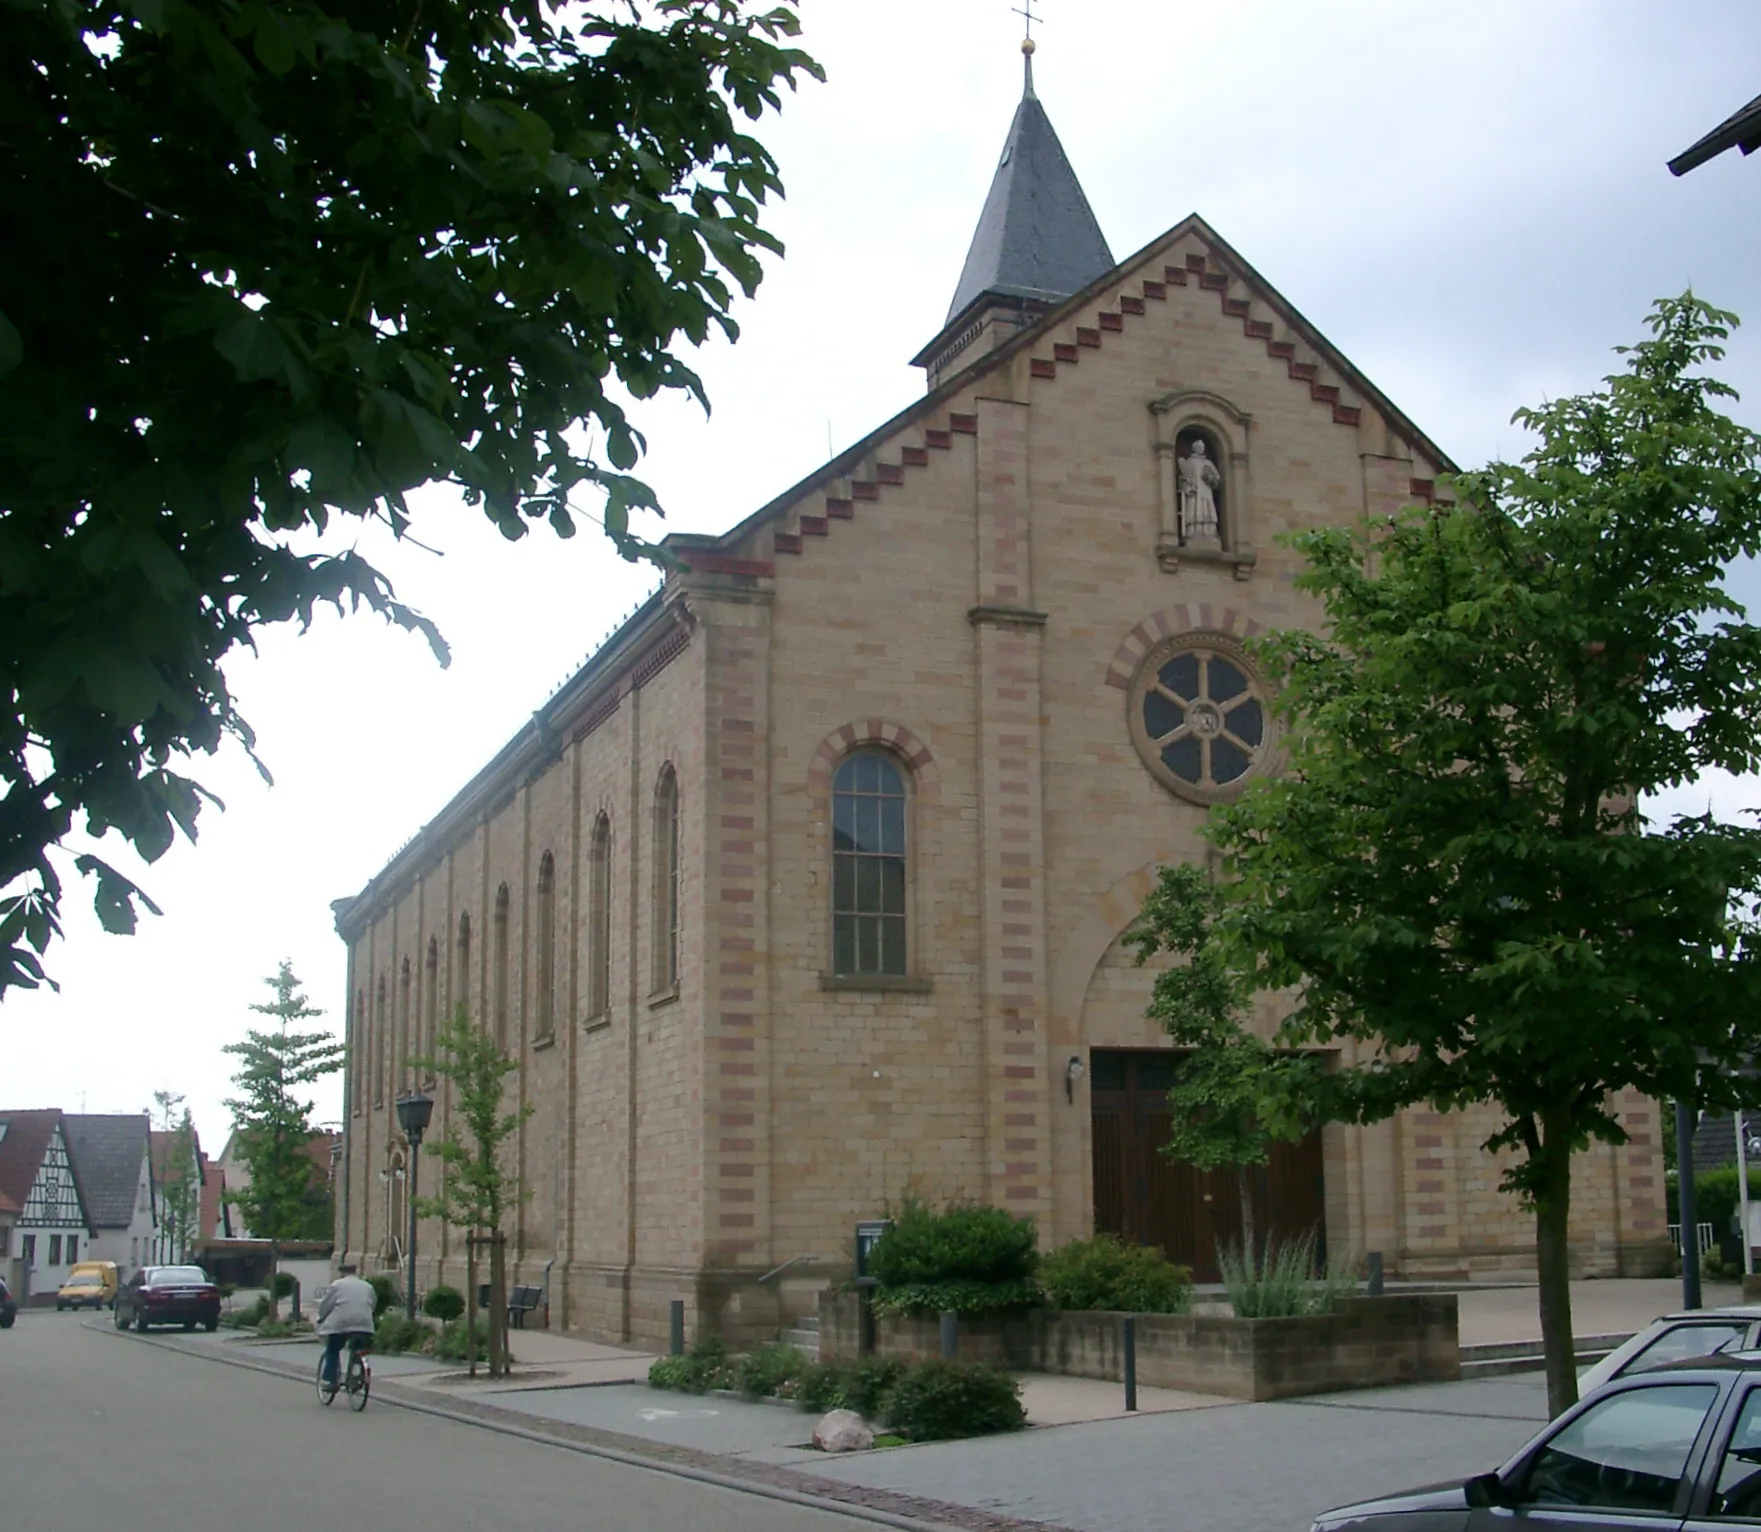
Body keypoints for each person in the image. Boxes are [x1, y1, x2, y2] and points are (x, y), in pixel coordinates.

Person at [316, 1265, 377, 1388]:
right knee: (358, 1349)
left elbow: (326, 1304)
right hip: (364, 1323)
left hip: (341, 1324)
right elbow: (373, 1303)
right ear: (355, 1272)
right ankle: (357, 1376)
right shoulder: (367, 1286)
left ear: (342, 1273)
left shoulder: (337, 1285)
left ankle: (331, 1381)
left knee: (332, 1350)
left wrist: (321, 1317)